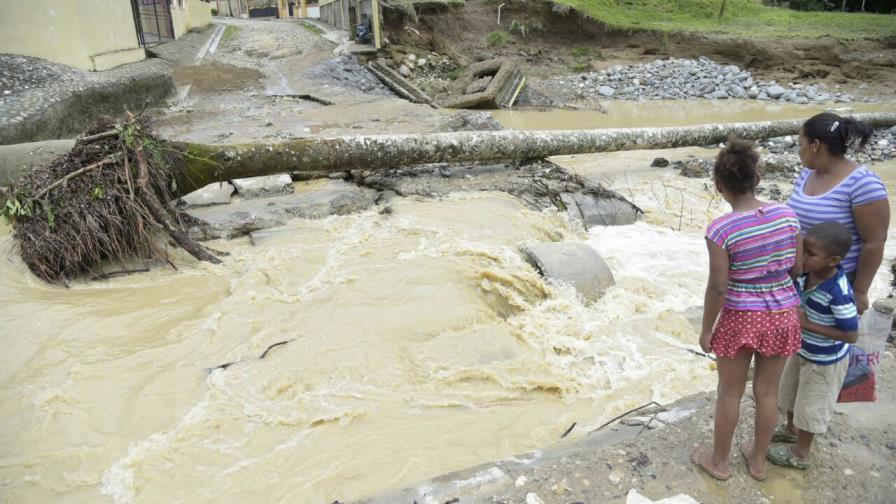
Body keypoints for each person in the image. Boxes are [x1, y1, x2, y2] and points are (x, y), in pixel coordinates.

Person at [691, 138, 803, 481]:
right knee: (767, 392)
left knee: (730, 392)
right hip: (783, 314)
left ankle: (719, 463)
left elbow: (718, 287)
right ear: (758, 177)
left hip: (740, 318)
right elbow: (797, 269)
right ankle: (757, 461)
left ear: (719, 186)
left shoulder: (721, 230)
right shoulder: (787, 215)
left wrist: (707, 330)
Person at [767, 222, 859, 470]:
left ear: (833, 260)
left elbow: (851, 334)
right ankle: (791, 430)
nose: (802, 257)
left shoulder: (838, 292)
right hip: (802, 348)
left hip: (825, 361)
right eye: (802, 250)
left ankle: (800, 455)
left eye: (810, 254)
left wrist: (807, 325)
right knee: (790, 392)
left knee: (812, 405)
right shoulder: (805, 274)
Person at [786, 112, 889, 314]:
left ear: (815, 145)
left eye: (801, 144)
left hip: (835, 282)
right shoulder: (807, 174)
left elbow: (874, 242)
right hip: (801, 274)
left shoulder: (863, 184)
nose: (799, 151)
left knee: (826, 333)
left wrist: (859, 291)